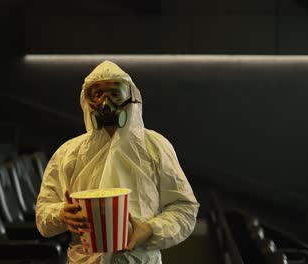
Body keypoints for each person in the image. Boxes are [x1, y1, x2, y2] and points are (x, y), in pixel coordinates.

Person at [36, 60, 199, 263]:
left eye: (115, 94)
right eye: (97, 94)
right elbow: (43, 215)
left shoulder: (154, 147)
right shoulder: (69, 153)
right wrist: (61, 214)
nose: (106, 102)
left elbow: (184, 208)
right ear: (87, 102)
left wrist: (150, 229)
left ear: (130, 98)